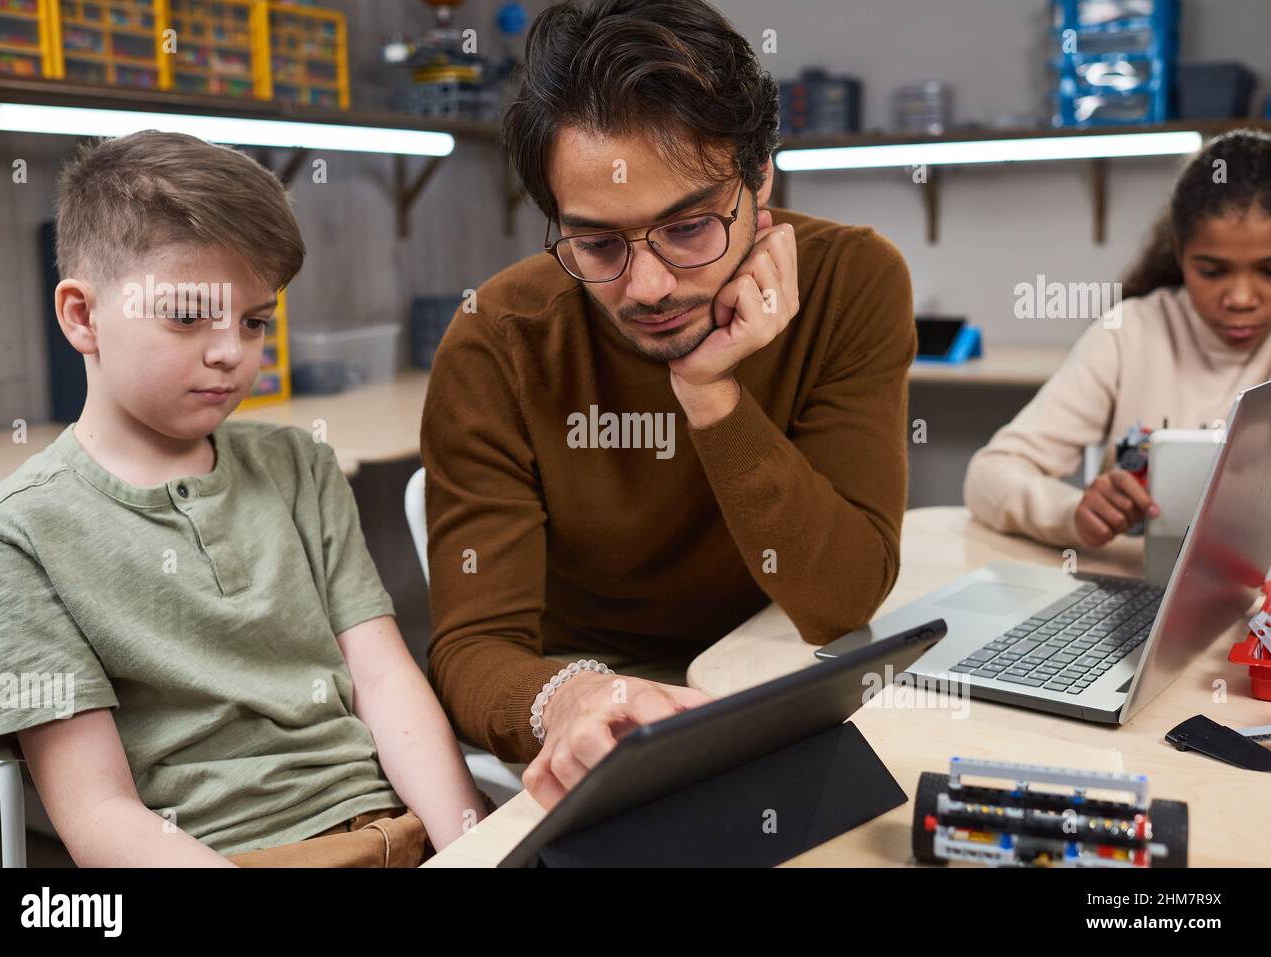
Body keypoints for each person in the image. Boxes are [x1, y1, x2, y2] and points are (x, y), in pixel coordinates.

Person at [421, 0, 917, 808]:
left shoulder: (853, 281)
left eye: (688, 228)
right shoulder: (498, 338)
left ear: (761, 177)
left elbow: (840, 601)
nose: (648, 288)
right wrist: (575, 696)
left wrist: (710, 392)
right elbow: (476, 647)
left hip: (783, 673)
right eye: (598, 244)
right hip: (605, 711)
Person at [0, 131, 486, 867]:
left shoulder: (300, 466)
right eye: (187, 315)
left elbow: (384, 676)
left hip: (392, 827)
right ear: (82, 316)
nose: (232, 353)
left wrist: (470, 845)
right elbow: (97, 811)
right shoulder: (14, 536)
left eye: (254, 321)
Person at [965, 129, 1271, 549]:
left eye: (1268, 271)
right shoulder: (1128, 335)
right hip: (1135, 586)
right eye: (1213, 271)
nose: (1240, 298)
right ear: (1179, 252)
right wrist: (1069, 512)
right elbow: (990, 475)